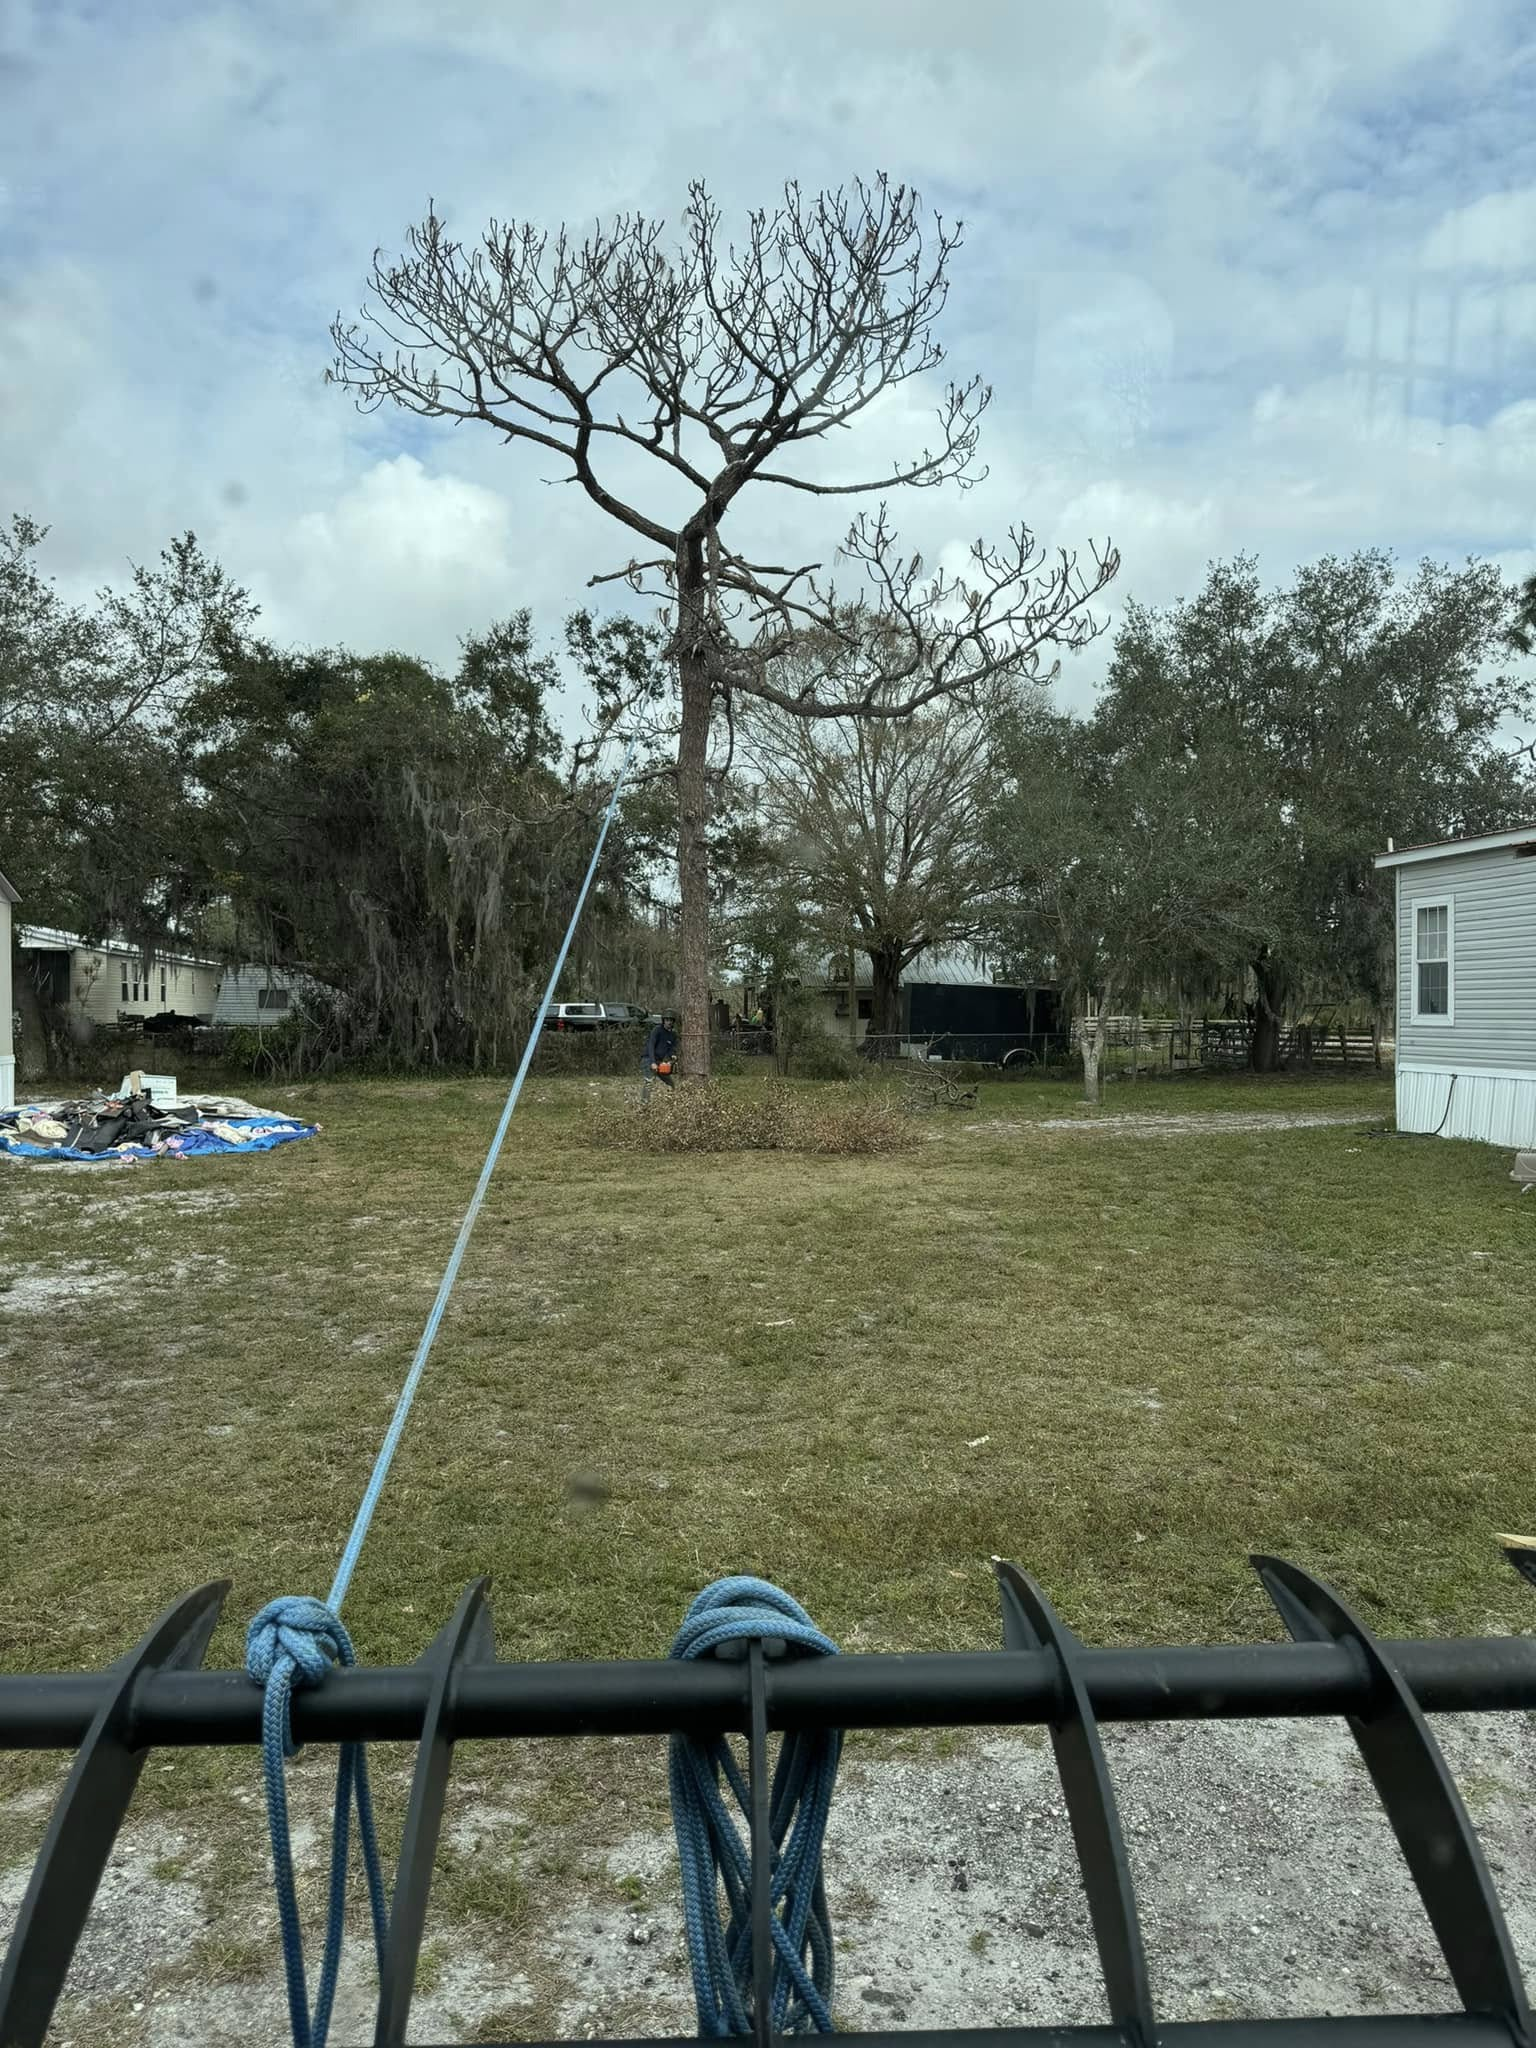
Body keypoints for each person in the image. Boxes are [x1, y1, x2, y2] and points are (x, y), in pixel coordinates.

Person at [642, 1012, 678, 1101]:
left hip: (659, 1061)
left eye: (671, 1020)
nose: (669, 1022)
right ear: (663, 1021)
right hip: (648, 1059)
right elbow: (651, 1045)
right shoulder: (657, 1030)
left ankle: (673, 1101)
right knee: (649, 1082)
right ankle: (644, 1104)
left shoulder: (673, 1034)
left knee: (670, 1083)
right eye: (667, 1020)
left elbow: (671, 1049)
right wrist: (652, 1062)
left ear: (673, 1022)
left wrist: (672, 1057)